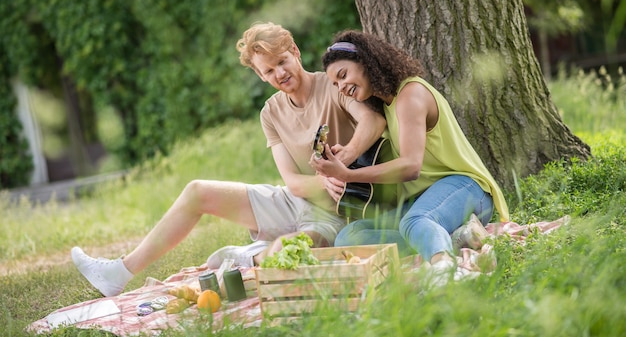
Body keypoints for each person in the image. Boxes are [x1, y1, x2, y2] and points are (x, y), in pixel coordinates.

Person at [71, 22, 386, 297]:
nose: (280, 73)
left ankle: (249, 257)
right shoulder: (271, 112)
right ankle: (119, 273)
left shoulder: (332, 84)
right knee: (197, 190)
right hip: (294, 199)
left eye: (282, 61)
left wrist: (344, 166)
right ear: (260, 75)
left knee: (287, 249)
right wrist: (320, 180)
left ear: (295, 51)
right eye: (269, 70)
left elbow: (374, 121)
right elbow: (291, 181)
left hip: (335, 215)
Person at [309, 30, 510, 284]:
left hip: (467, 189)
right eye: (336, 84)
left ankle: (445, 269)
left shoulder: (410, 94)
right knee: (350, 236)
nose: (342, 87)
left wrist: (347, 175)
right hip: (425, 200)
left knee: (415, 221)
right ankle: (452, 236)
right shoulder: (385, 104)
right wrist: (340, 158)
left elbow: (411, 166)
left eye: (343, 75)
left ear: (366, 61)